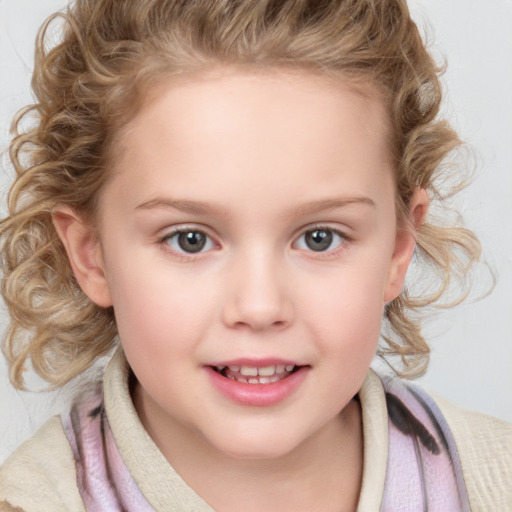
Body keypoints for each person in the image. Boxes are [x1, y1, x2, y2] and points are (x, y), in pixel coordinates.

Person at [0, 0, 510, 510]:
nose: (260, 307)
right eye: (190, 239)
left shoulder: (496, 478)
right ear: (92, 256)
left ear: (399, 249)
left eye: (319, 238)